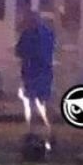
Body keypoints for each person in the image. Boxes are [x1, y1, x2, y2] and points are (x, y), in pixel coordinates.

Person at [15, 9, 55, 143]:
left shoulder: (27, 34)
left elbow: (19, 51)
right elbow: (50, 50)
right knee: (44, 102)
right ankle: (50, 130)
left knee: (31, 102)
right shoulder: (48, 33)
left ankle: (32, 131)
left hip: (31, 72)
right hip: (45, 72)